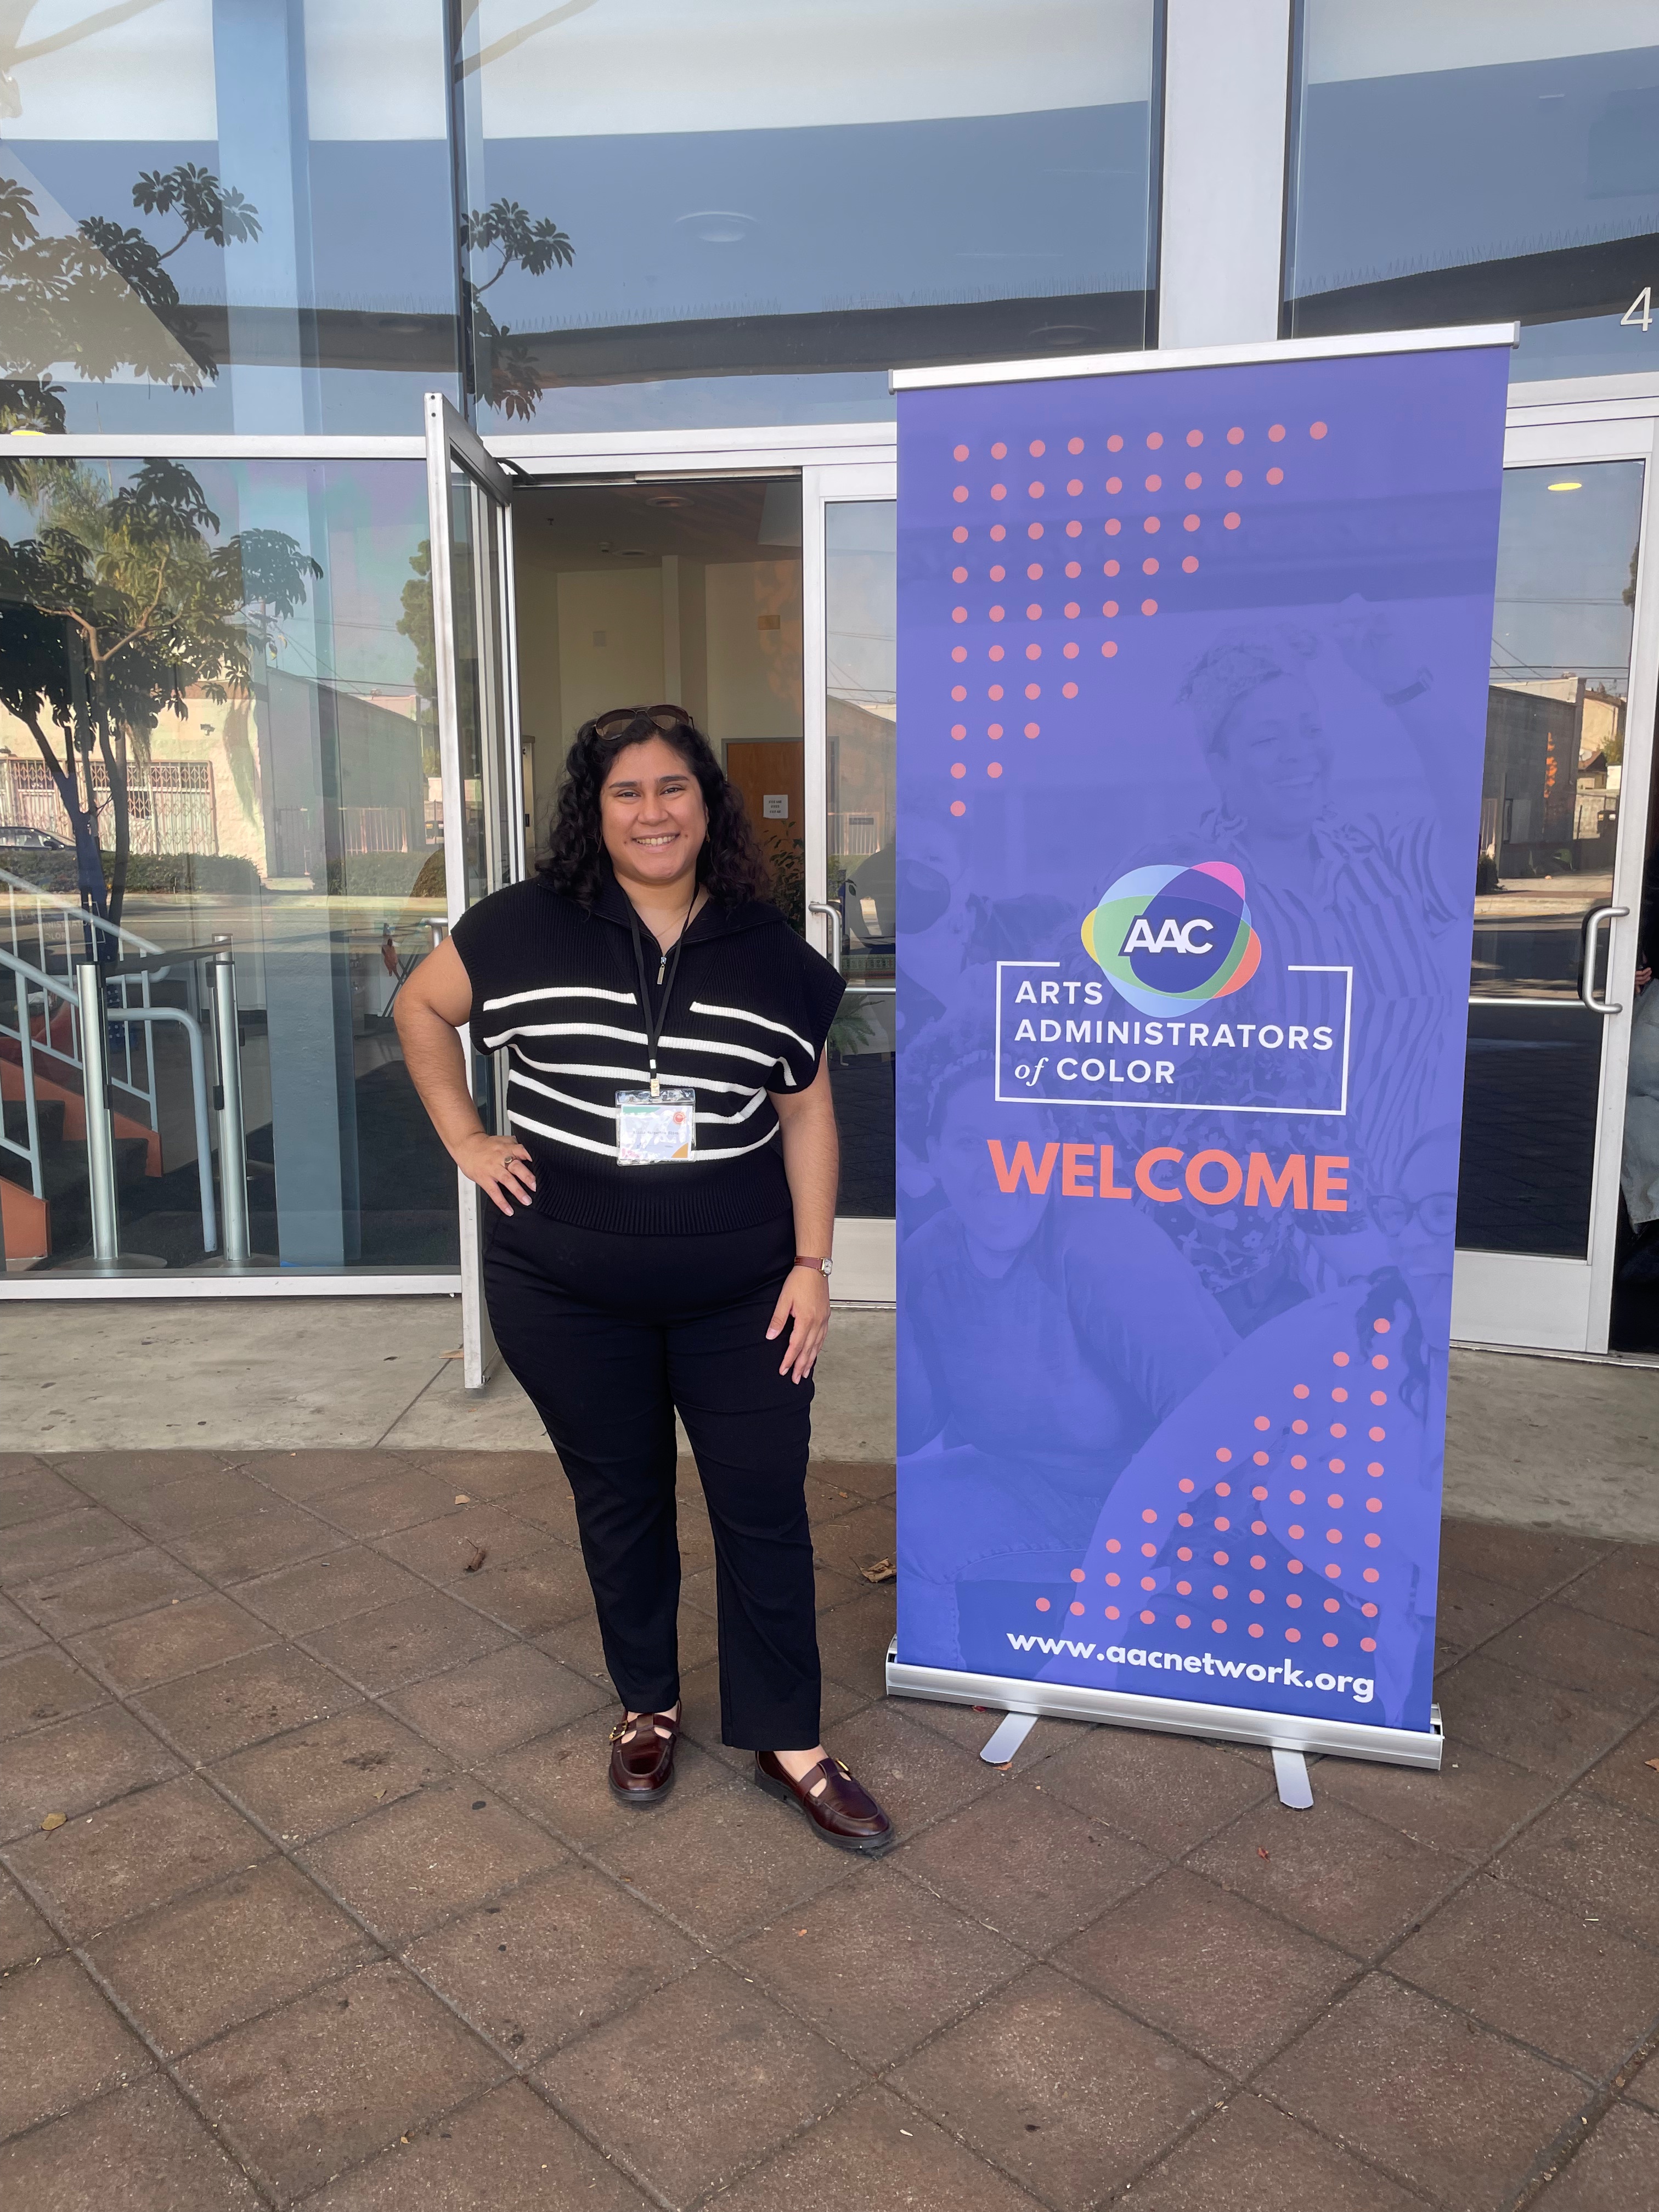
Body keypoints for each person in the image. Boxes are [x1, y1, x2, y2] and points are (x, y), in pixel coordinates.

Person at [395, 704, 894, 1854]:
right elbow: (420, 1008)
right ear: (594, 811)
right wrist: (470, 1142)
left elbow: (807, 1110)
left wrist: (816, 1265)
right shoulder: (520, 931)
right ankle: (649, 1704)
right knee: (619, 1500)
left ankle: (789, 1737)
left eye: (674, 788)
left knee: (761, 1504)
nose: (653, 811)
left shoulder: (770, 952)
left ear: (705, 806)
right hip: (566, 1288)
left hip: (743, 1290)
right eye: (627, 792)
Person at [897, 1015, 1238, 1667]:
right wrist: (911, 1297)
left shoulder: (1101, 1243)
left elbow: (1214, 1432)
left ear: (1051, 1141)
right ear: (932, 1155)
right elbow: (916, 1428)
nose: (999, 1166)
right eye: (970, 1142)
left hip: (1153, 1513)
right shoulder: (930, 1254)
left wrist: (1110, 1605)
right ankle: (936, 1705)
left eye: (1017, 1139)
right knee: (914, 1517)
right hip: (1028, 1482)